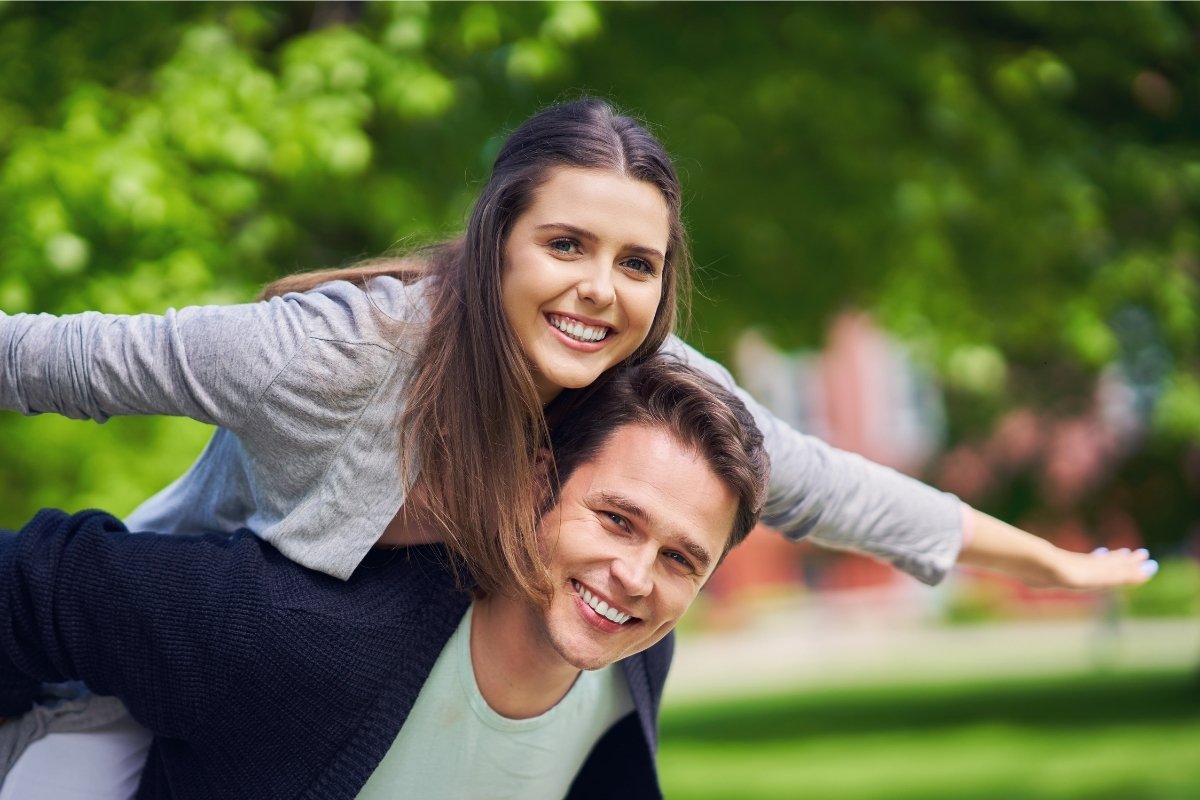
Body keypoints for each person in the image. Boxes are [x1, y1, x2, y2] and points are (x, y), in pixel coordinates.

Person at [0, 98, 1155, 793]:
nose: (601, 291)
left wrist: (1050, 565)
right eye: (566, 243)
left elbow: (830, 485)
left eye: (638, 264)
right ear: (499, 236)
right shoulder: (336, 353)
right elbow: (60, 358)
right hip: (135, 651)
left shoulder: (645, 392)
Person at [0, 357, 769, 799]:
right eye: (616, 520)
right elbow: (34, 585)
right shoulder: (299, 632)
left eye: (679, 560)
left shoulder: (631, 662)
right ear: (539, 483)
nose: (634, 577)